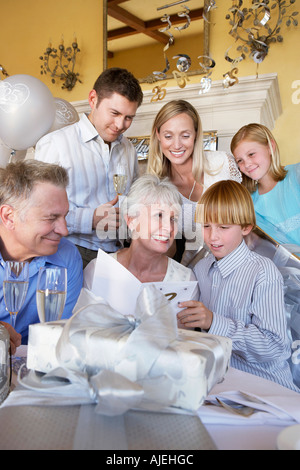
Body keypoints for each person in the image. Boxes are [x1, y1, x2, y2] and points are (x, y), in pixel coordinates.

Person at [177, 180, 298, 392]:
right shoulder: (201, 269)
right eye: (206, 226)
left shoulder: (262, 271)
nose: (212, 236)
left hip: (267, 388)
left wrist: (214, 322)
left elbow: (273, 345)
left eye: (223, 227)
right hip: (221, 384)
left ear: (246, 227)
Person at [35, 67, 144, 268]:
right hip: (69, 251)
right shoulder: (56, 144)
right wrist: (91, 219)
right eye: (115, 113)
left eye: (129, 117)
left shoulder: (129, 149)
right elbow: (38, 211)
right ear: (93, 99)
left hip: (119, 255)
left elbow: (133, 199)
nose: (120, 124)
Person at [147, 99, 242, 265]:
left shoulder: (223, 164)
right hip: (195, 270)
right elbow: (167, 247)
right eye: (168, 136)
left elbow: (247, 217)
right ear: (158, 135)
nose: (176, 145)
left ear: (196, 134)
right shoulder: (158, 188)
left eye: (185, 135)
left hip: (237, 264)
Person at [0, 160, 83, 345]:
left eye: (65, 216)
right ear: (9, 217)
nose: (64, 230)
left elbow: (60, 337)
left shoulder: (67, 256)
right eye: (51, 217)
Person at [84, 174, 196, 288]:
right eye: (159, 215)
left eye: (173, 219)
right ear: (131, 220)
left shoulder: (185, 281)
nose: (169, 228)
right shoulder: (97, 271)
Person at [231, 123, 300, 249]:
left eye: (251, 154)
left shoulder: (296, 175)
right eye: (239, 160)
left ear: (270, 147)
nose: (247, 164)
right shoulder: (248, 203)